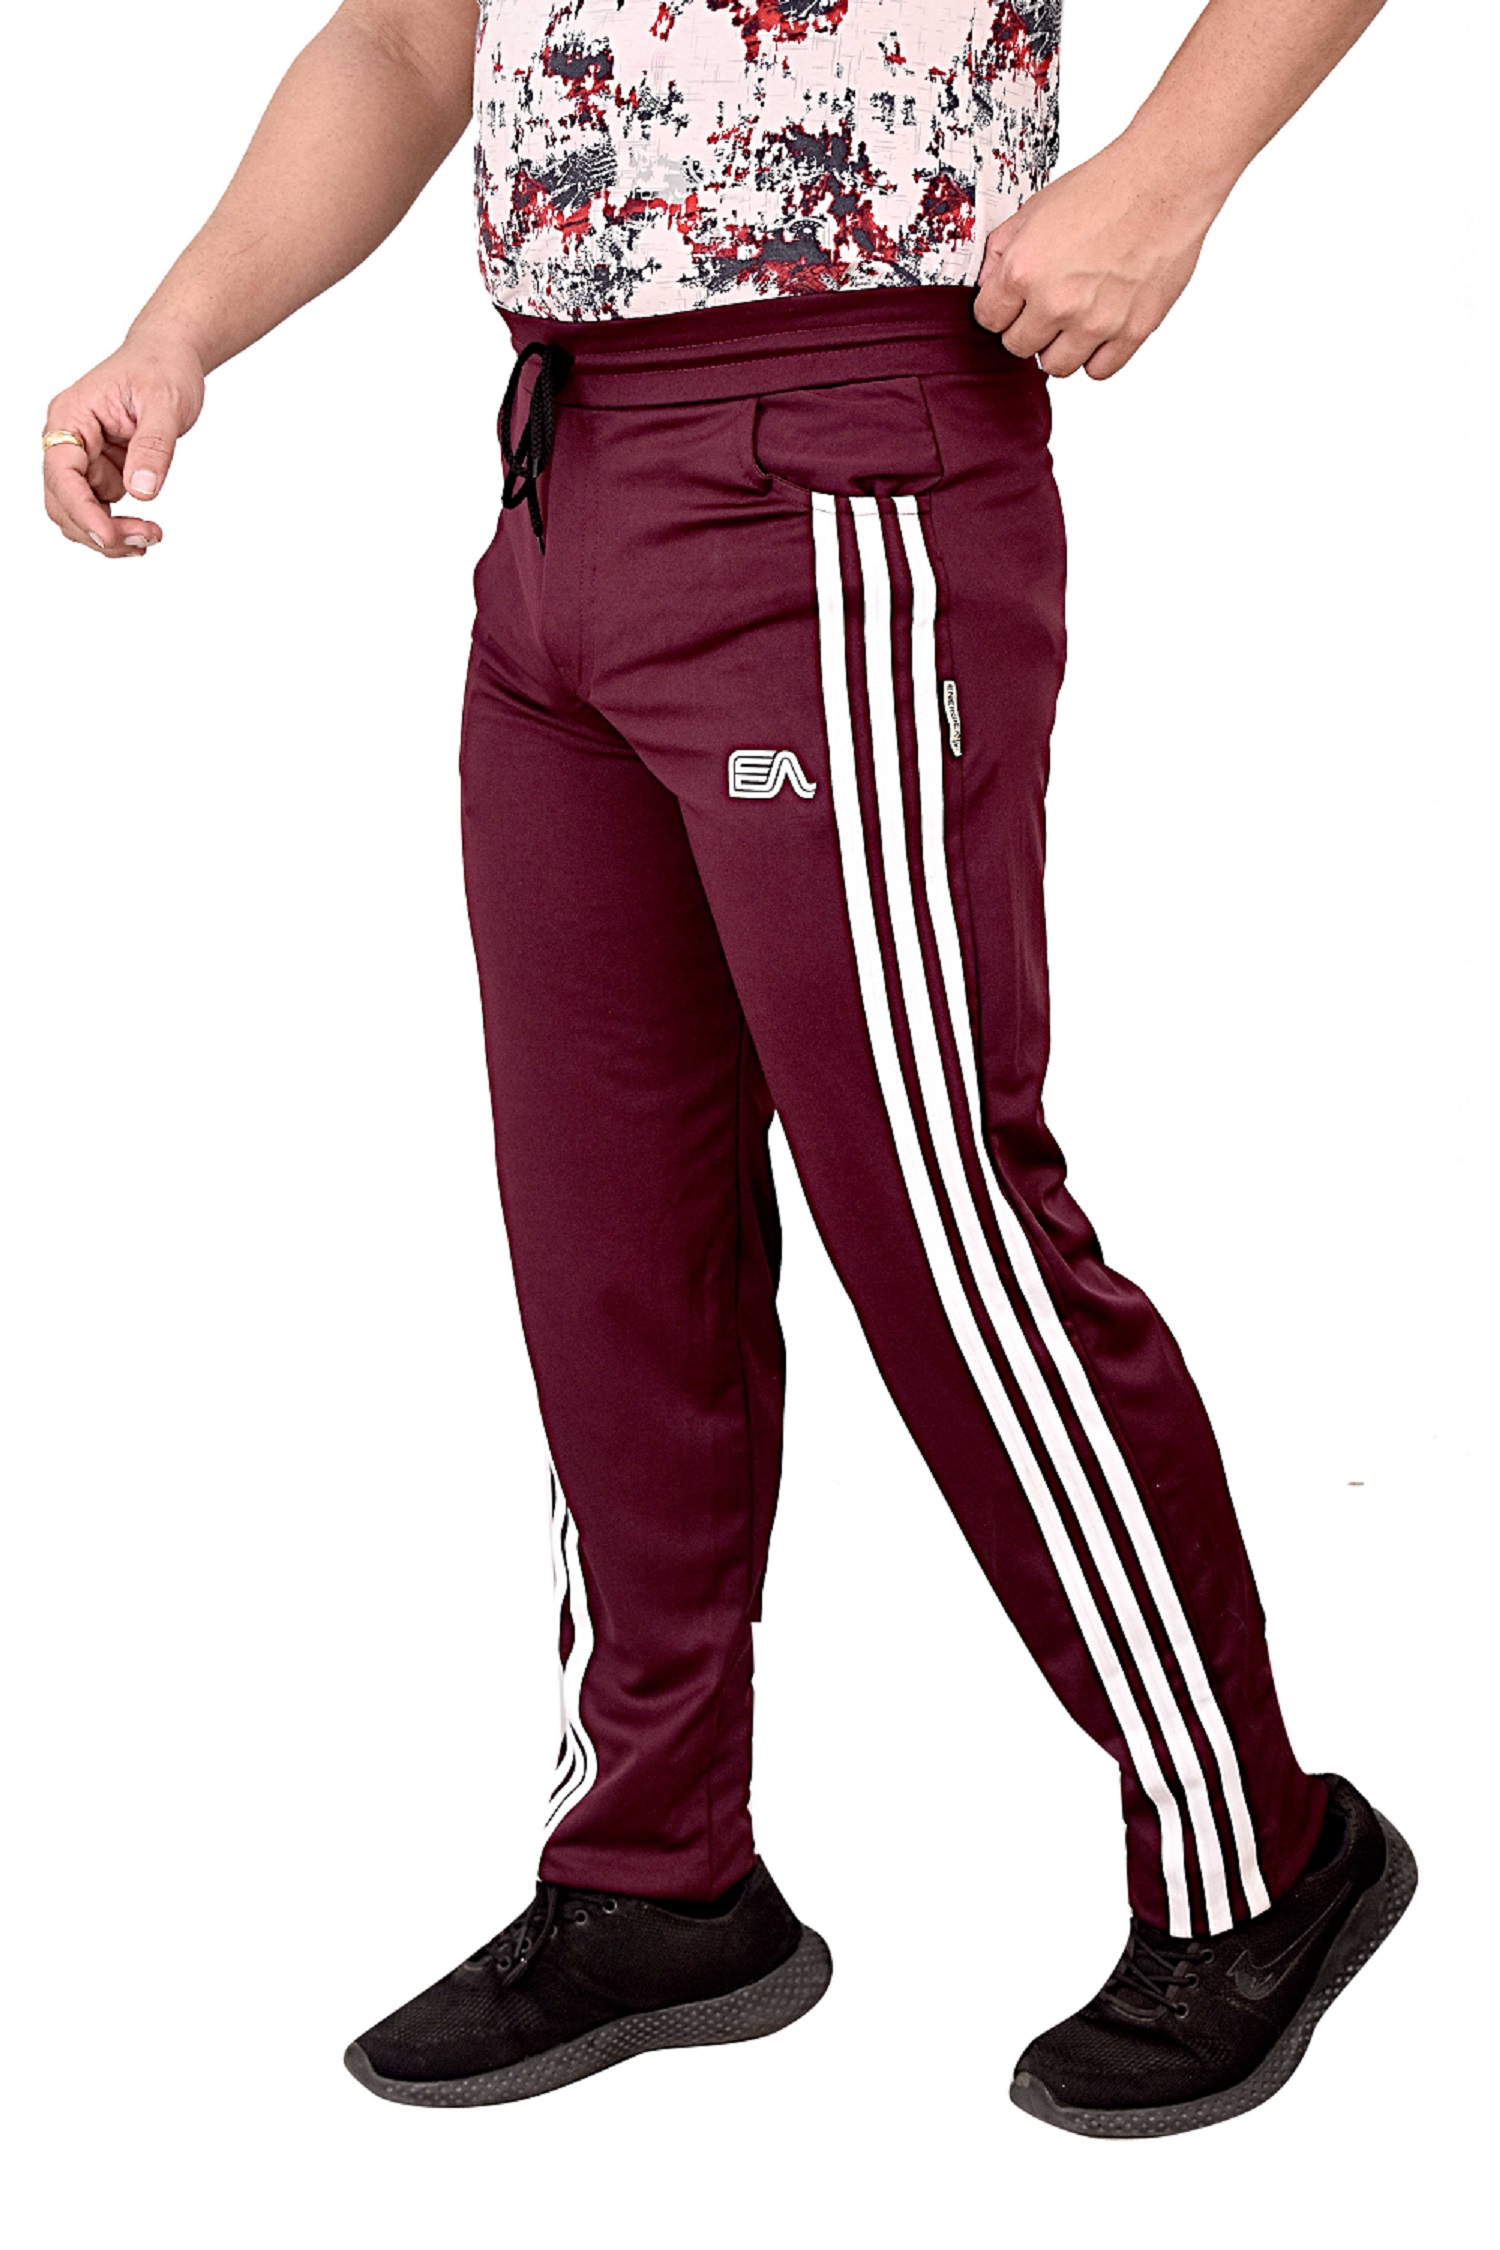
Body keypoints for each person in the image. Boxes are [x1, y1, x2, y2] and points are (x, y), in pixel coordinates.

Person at [41, 0, 1414, 2137]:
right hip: (563, 477)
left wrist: (1169, 175)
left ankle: (1261, 1848)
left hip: (842, 463)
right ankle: (656, 1867)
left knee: (942, 1224)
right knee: (613, 1238)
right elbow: (408, 38)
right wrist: (178, 329)